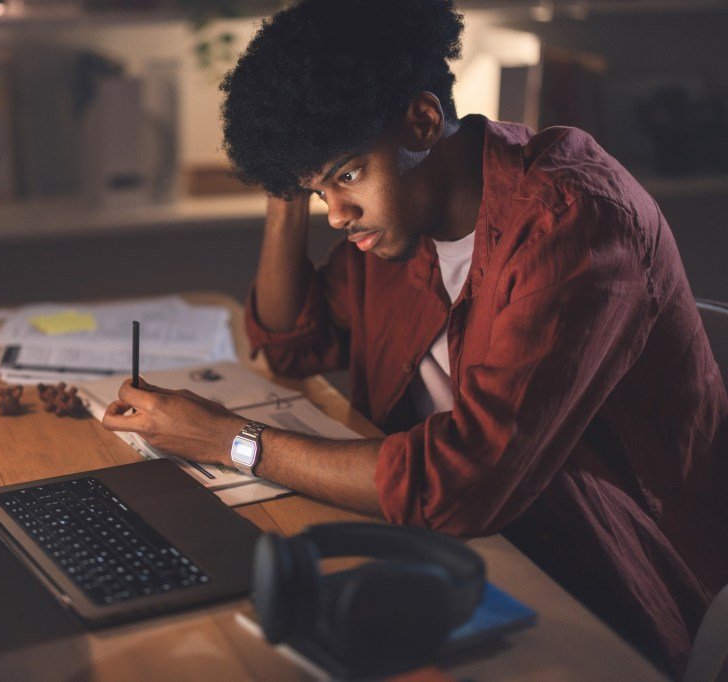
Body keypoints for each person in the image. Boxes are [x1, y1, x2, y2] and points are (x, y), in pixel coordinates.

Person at [102, 0, 728, 674]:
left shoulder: (570, 222)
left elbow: (463, 480)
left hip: (602, 584)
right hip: (460, 545)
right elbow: (289, 342)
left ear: (424, 121)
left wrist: (229, 440)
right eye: (319, 193)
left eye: (347, 175)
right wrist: (292, 178)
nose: (337, 214)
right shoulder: (400, 221)